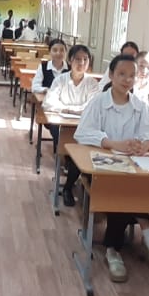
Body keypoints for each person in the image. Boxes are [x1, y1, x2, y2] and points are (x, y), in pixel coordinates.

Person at [74, 53, 149, 283]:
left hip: (134, 167)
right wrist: (112, 143)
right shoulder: (99, 102)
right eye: (121, 74)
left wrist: (145, 145)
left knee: (132, 183)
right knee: (120, 185)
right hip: (101, 168)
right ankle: (145, 229)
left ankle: (112, 248)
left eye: (132, 75)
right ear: (111, 75)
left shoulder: (140, 106)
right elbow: (82, 133)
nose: (127, 80)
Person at [43, 44, 102, 207]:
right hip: (62, 125)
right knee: (66, 143)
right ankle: (67, 166)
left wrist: (68, 108)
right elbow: (49, 103)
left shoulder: (92, 83)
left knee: (81, 151)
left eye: (85, 59)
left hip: (85, 128)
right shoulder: (61, 80)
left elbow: (93, 106)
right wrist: (71, 110)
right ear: (70, 60)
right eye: (77, 59)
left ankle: (69, 186)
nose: (81, 63)